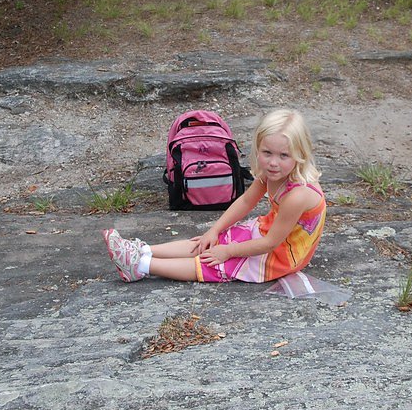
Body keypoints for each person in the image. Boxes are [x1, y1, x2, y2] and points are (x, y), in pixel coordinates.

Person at [103, 108, 326, 283]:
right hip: (269, 230)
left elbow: (269, 243)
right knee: (207, 243)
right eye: (267, 153)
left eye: (283, 155)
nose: (273, 162)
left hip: (281, 255)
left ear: (300, 155)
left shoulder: (298, 195)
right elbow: (247, 200)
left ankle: (140, 265)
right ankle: (141, 249)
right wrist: (214, 230)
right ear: (258, 149)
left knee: (215, 263)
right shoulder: (273, 173)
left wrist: (228, 252)